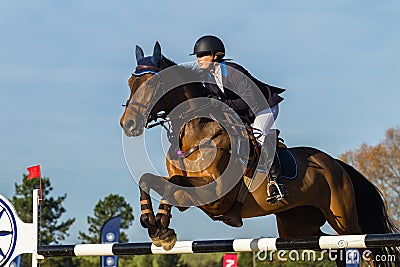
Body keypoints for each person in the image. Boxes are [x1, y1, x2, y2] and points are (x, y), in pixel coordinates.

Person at [190, 35, 287, 205]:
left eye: (202, 55)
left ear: (214, 55)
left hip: (264, 107)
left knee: (260, 136)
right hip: (245, 111)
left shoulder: (233, 72)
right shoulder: (209, 79)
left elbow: (251, 100)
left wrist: (221, 103)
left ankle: (276, 183)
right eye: (197, 56)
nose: (199, 60)